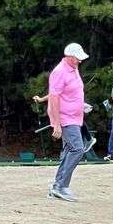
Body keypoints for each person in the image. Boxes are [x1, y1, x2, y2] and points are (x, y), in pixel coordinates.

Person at [46, 42, 89, 202]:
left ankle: (57, 186)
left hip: (75, 117)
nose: (80, 60)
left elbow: (71, 93)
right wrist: (57, 124)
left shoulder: (73, 69)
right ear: (69, 57)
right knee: (77, 149)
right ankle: (61, 186)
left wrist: (81, 105)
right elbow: (54, 98)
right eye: (77, 58)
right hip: (65, 118)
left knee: (69, 150)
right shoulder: (59, 72)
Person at [32, 93, 97, 152]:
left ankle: (87, 139)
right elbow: (53, 94)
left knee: (74, 146)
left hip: (68, 114)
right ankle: (87, 139)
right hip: (64, 116)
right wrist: (41, 99)